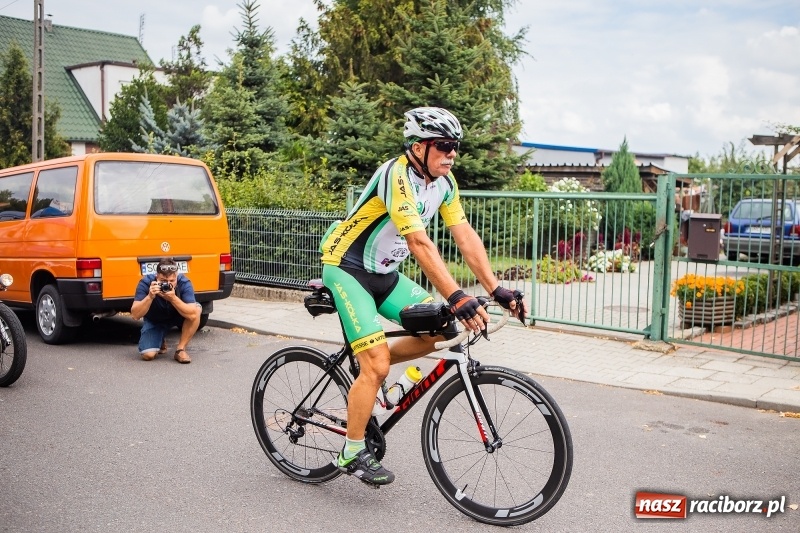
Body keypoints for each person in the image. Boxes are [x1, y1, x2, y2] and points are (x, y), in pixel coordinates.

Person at [319, 107, 527, 485]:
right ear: (418, 147)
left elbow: (464, 235)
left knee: (443, 329)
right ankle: (350, 450)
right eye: (443, 146)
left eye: (455, 147)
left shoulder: (444, 184)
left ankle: (374, 366)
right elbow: (418, 242)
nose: (451, 154)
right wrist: (458, 295)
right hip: (346, 268)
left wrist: (496, 289)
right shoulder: (396, 176)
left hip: (384, 274)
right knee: (377, 363)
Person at [130, 257, 201, 364]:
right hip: (155, 319)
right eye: (163, 281)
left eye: (172, 281)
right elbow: (135, 315)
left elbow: (192, 314)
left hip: (178, 315)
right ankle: (159, 337)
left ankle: (180, 349)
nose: (167, 285)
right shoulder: (146, 282)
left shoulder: (184, 282)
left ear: (177, 277)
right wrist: (149, 296)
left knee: (196, 309)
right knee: (148, 355)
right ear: (156, 276)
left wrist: (173, 298)